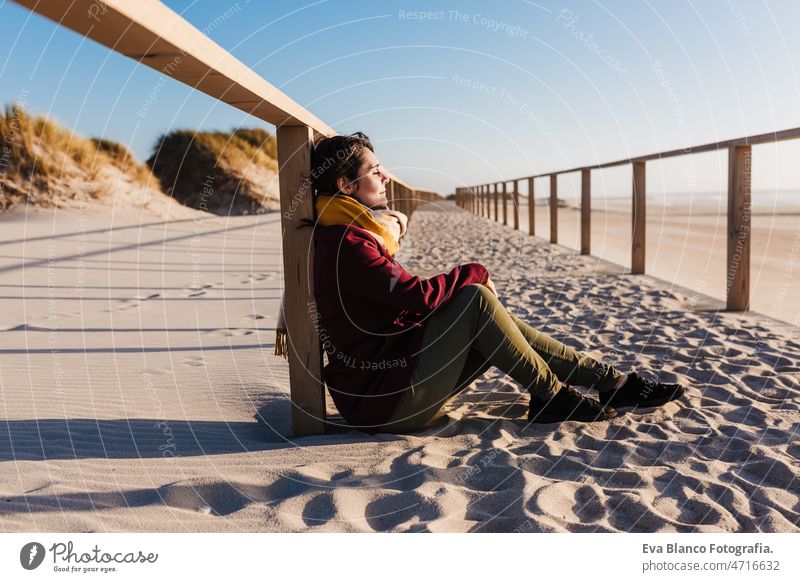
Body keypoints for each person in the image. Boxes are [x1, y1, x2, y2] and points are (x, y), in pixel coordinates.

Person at [284, 131, 685, 434]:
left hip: (388, 382)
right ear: (344, 186)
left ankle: (608, 382)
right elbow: (416, 297)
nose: (386, 177)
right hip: (382, 403)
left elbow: (401, 304)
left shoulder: (346, 231)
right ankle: (556, 393)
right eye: (374, 171)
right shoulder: (347, 243)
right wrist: (474, 271)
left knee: (485, 313)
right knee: (475, 298)